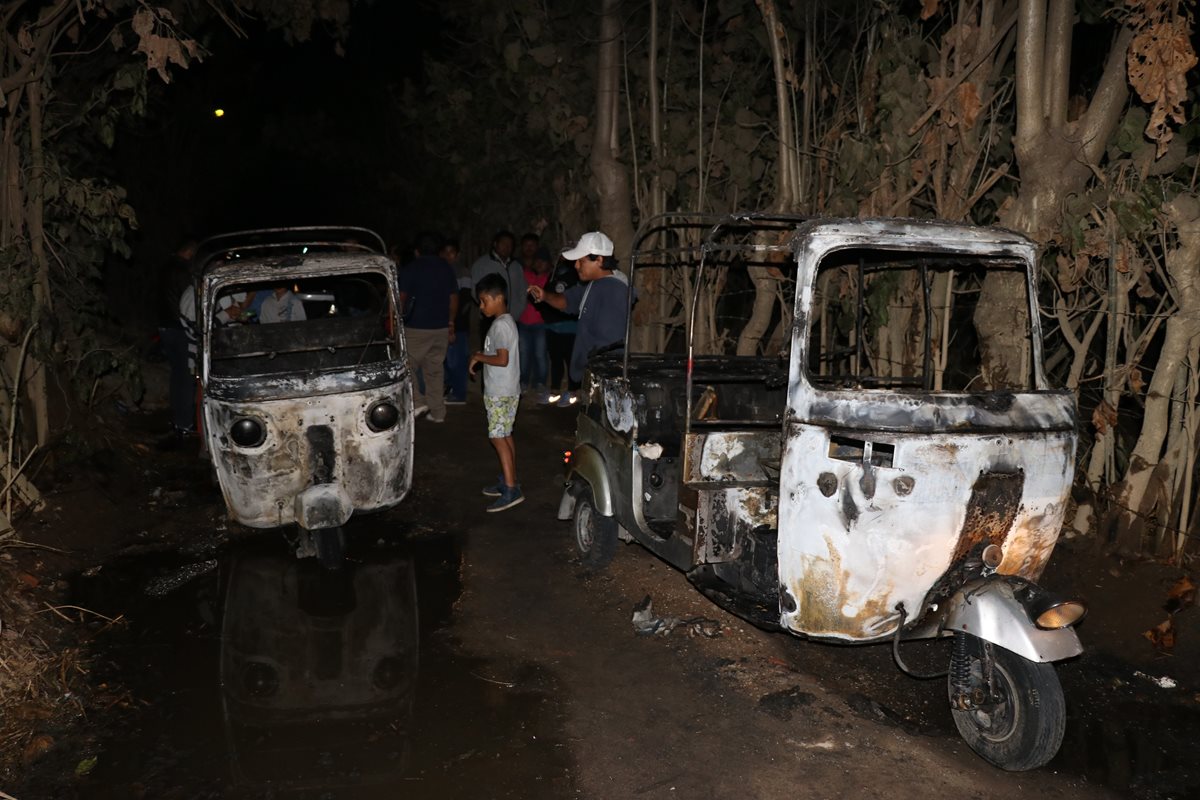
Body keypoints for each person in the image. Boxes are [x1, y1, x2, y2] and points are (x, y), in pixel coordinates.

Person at [527, 231, 631, 395]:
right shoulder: (595, 284)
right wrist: (545, 296)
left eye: (580, 261)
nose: (576, 265)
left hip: (604, 376)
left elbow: (610, 343)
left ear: (599, 260)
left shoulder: (614, 290)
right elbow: (569, 301)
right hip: (594, 374)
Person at [470, 273, 523, 512]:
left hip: (500, 392)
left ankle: (511, 489)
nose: (481, 306)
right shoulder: (506, 322)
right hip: (507, 389)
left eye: (484, 301)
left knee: (497, 436)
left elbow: (502, 359)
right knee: (506, 434)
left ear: (498, 297)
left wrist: (479, 356)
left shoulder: (501, 324)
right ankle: (509, 479)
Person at [399, 232, 459, 423]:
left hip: (416, 328)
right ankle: (438, 412)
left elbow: (401, 298)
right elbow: (454, 298)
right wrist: (451, 323)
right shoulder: (447, 269)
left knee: (406, 366)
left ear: (417, 251)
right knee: (434, 370)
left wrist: (396, 321)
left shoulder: (410, 269)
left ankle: (418, 401)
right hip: (440, 327)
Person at [159, 239, 198, 434]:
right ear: (190, 252)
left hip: (165, 327)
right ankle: (185, 423)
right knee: (186, 376)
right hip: (180, 329)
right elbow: (188, 302)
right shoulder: (183, 272)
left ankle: (177, 419)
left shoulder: (164, 267)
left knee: (176, 374)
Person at [540, 254, 581, 407]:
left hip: (570, 328)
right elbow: (547, 295)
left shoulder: (577, 276)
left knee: (571, 361)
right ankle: (554, 391)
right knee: (556, 361)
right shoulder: (554, 274)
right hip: (552, 326)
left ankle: (572, 392)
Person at [518, 246, 552, 402]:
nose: (539, 264)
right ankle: (523, 381)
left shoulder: (550, 278)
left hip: (541, 323)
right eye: (537, 261)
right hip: (523, 321)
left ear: (548, 264)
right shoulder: (525, 274)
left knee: (540, 354)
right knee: (524, 354)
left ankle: (540, 382)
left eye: (543, 262)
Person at [440, 238, 470, 405]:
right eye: (445, 252)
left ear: (457, 254)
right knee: (448, 360)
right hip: (444, 323)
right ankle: (452, 389)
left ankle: (459, 394)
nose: (448, 255)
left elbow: (465, 301)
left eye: (452, 252)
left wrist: (455, 323)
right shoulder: (442, 271)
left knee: (456, 360)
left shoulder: (462, 272)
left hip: (457, 325)